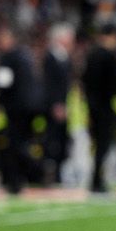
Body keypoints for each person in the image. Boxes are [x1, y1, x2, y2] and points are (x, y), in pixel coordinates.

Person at [0, 27, 44, 195]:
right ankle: (30, 174)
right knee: (24, 143)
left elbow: (3, 83)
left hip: (15, 108)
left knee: (14, 144)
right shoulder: (26, 56)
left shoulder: (8, 57)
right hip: (30, 107)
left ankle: (16, 181)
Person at [83, 23, 116, 195]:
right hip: (105, 107)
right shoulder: (108, 56)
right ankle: (97, 182)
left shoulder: (92, 55)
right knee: (103, 145)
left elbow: (86, 81)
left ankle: (96, 180)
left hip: (93, 106)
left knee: (98, 146)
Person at [42, 23, 75, 186]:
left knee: (62, 141)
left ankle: (59, 174)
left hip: (64, 104)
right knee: (52, 140)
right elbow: (51, 84)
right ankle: (49, 174)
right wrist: (57, 104)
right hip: (55, 105)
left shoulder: (64, 57)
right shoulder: (51, 57)